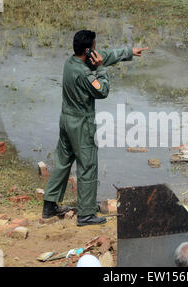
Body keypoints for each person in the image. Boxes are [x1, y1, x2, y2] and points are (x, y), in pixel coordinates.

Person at [42, 29, 147, 227]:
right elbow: (102, 90)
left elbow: (103, 57)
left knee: (63, 162)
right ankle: (86, 214)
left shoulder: (71, 62)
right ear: (88, 51)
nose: (98, 50)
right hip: (81, 124)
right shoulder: (84, 74)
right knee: (87, 166)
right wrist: (100, 69)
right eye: (95, 46)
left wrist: (128, 52)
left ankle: (49, 205)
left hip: (66, 120)